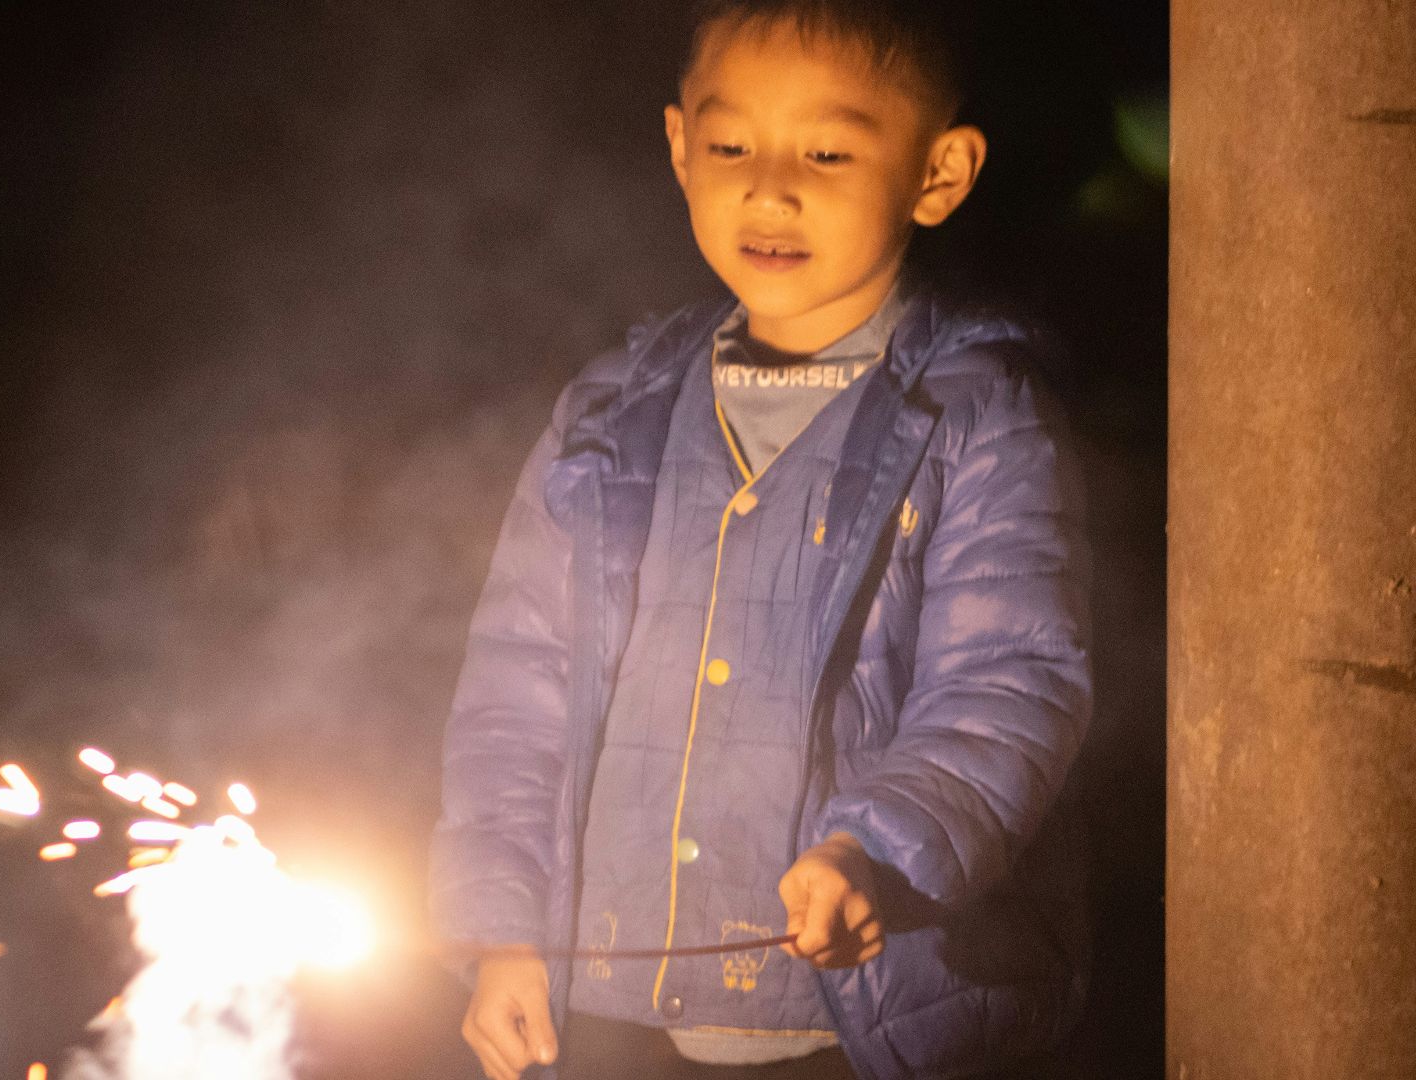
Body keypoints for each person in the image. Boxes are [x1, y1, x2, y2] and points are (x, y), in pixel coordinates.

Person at [428, 2, 1093, 1078]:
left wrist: (872, 848)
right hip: (605, 1012)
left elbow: (1009, 684)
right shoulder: (608, 417)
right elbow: (519, 688)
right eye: (732, 144)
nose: (770, 187)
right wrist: (504, 929)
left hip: (848, 1026)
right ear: (680, 148)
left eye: (828, 150)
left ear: (941, 173)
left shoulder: (980, 416)